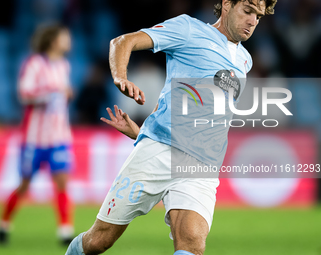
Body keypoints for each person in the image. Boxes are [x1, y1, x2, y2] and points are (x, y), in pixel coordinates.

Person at [66, 0, 277, 254]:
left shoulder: (245, 61)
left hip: (201, 165)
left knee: (192, 245)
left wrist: (139, 130)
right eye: (247, 11)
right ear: (226, 5)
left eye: (258, 16)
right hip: (157, 152)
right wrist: (121, 76)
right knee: (99, 241)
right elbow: (123, 42)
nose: (253, 21)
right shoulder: (188, 29)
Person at [0, 24, 75, 245]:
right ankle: (3, 224)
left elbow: (61, 98)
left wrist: (66, 94)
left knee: (62, 182)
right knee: (24, 184)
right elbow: (24, 94)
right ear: (52, 40)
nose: (69, 41)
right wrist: (52, 93)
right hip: (34, 138)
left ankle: (65, 231)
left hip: (59, 137)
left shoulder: (64, 65)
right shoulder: (34, 64)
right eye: (64, 37)